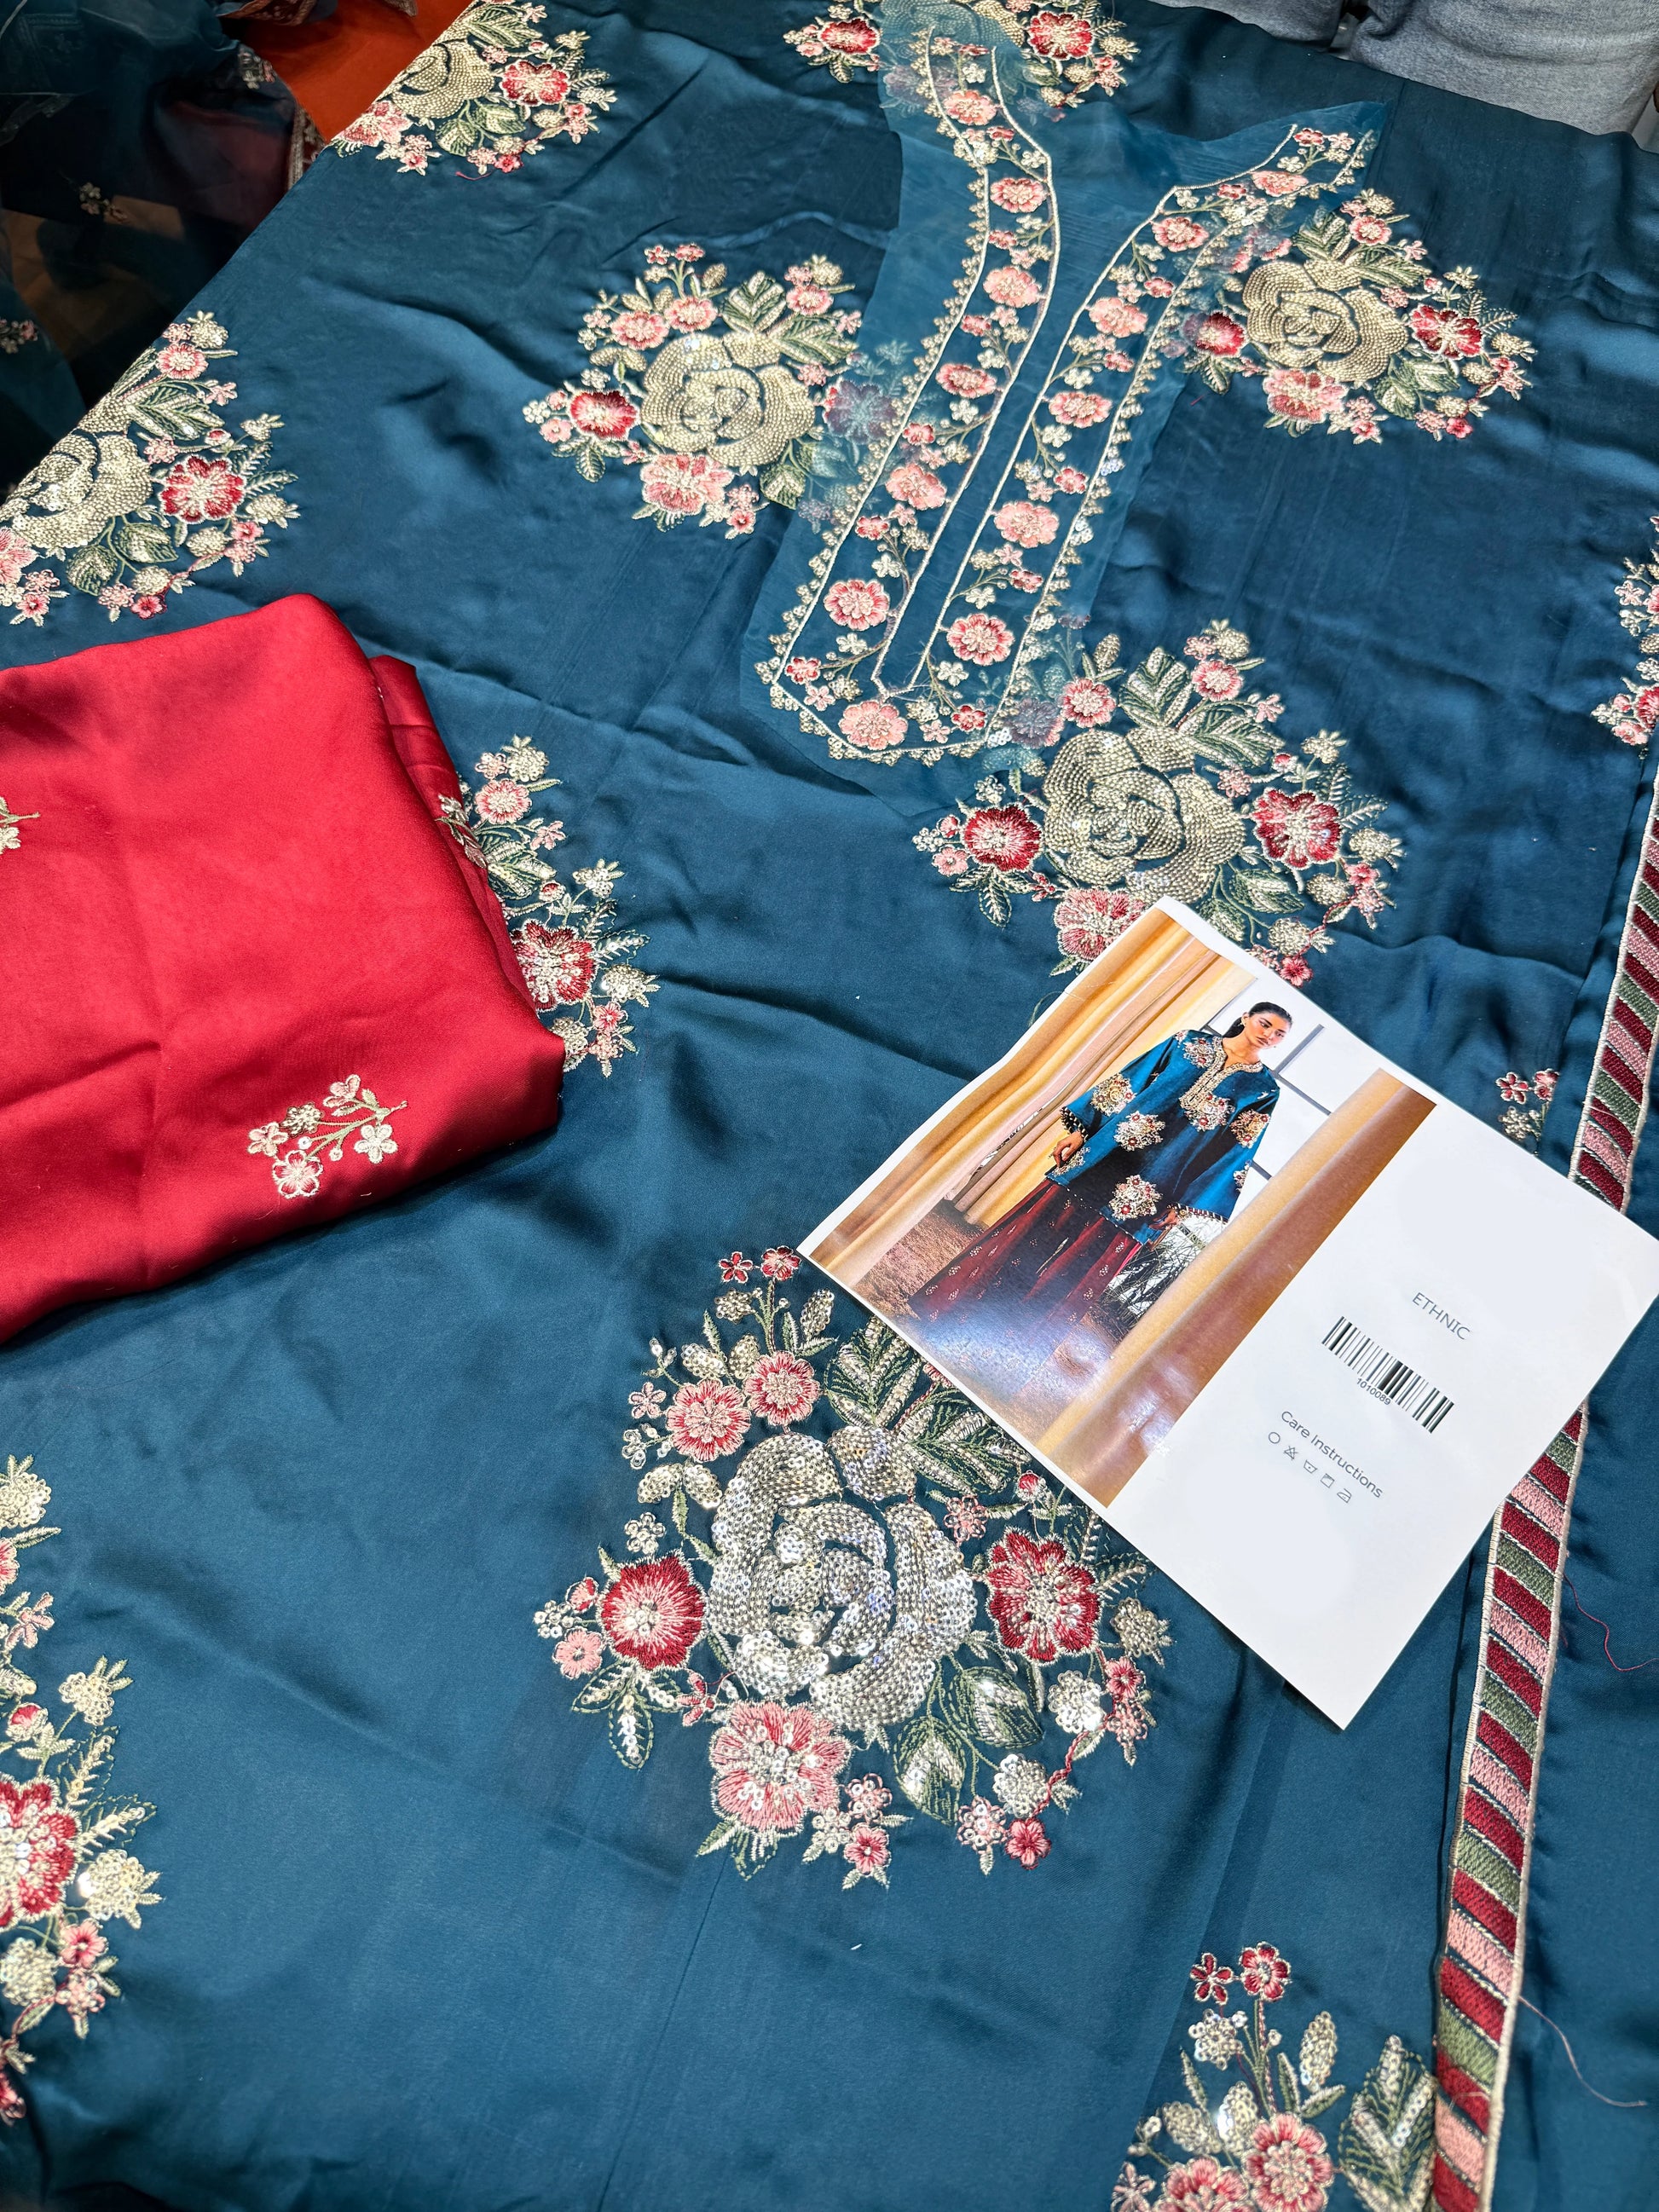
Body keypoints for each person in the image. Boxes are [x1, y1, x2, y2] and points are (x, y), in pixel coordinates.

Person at [909, 1004, 1292, 1340]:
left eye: (1279, 1035)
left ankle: (1007, 1343)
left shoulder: (1263, 1090)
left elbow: (1235, 1151)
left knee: (1077, 1270)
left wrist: (1186, 1204)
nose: (1269, 1036)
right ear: (1246, 1018)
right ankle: (953, 1308)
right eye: (1265, 1024)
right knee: (1031, 1235)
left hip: (1157, 1182)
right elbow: (1128, 1082)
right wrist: (1082, 1130)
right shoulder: (1186, 1042)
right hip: (1107, 1152)